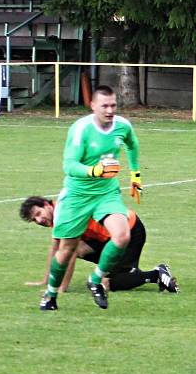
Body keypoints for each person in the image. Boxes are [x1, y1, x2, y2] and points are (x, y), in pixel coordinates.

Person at [38, 84, 143, 311]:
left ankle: (95, 280)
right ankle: (50, 295)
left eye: (113, 105)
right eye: (104, 105)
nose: (110, 110)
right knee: (66, 249)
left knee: (122, 235)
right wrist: (94, 171)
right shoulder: (81, 129)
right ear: (93, 105)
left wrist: (135, 175)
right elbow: (70, 165)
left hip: (106, 192)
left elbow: (132, 145)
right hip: (77, 194)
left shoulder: (122, 126)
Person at [20, 196, 178, 294]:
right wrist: (46, 280)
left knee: (105, 283)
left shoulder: (65, 214)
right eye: (34, 220)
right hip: (108, 239)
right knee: (76, 249)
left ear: (47, 205)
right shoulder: (57, 214)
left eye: (39, 214)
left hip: (130, 231)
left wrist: (60, 289)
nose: (39, 220)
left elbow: (69, 252)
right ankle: (133, 272)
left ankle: (156, 274)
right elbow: (55, 249)